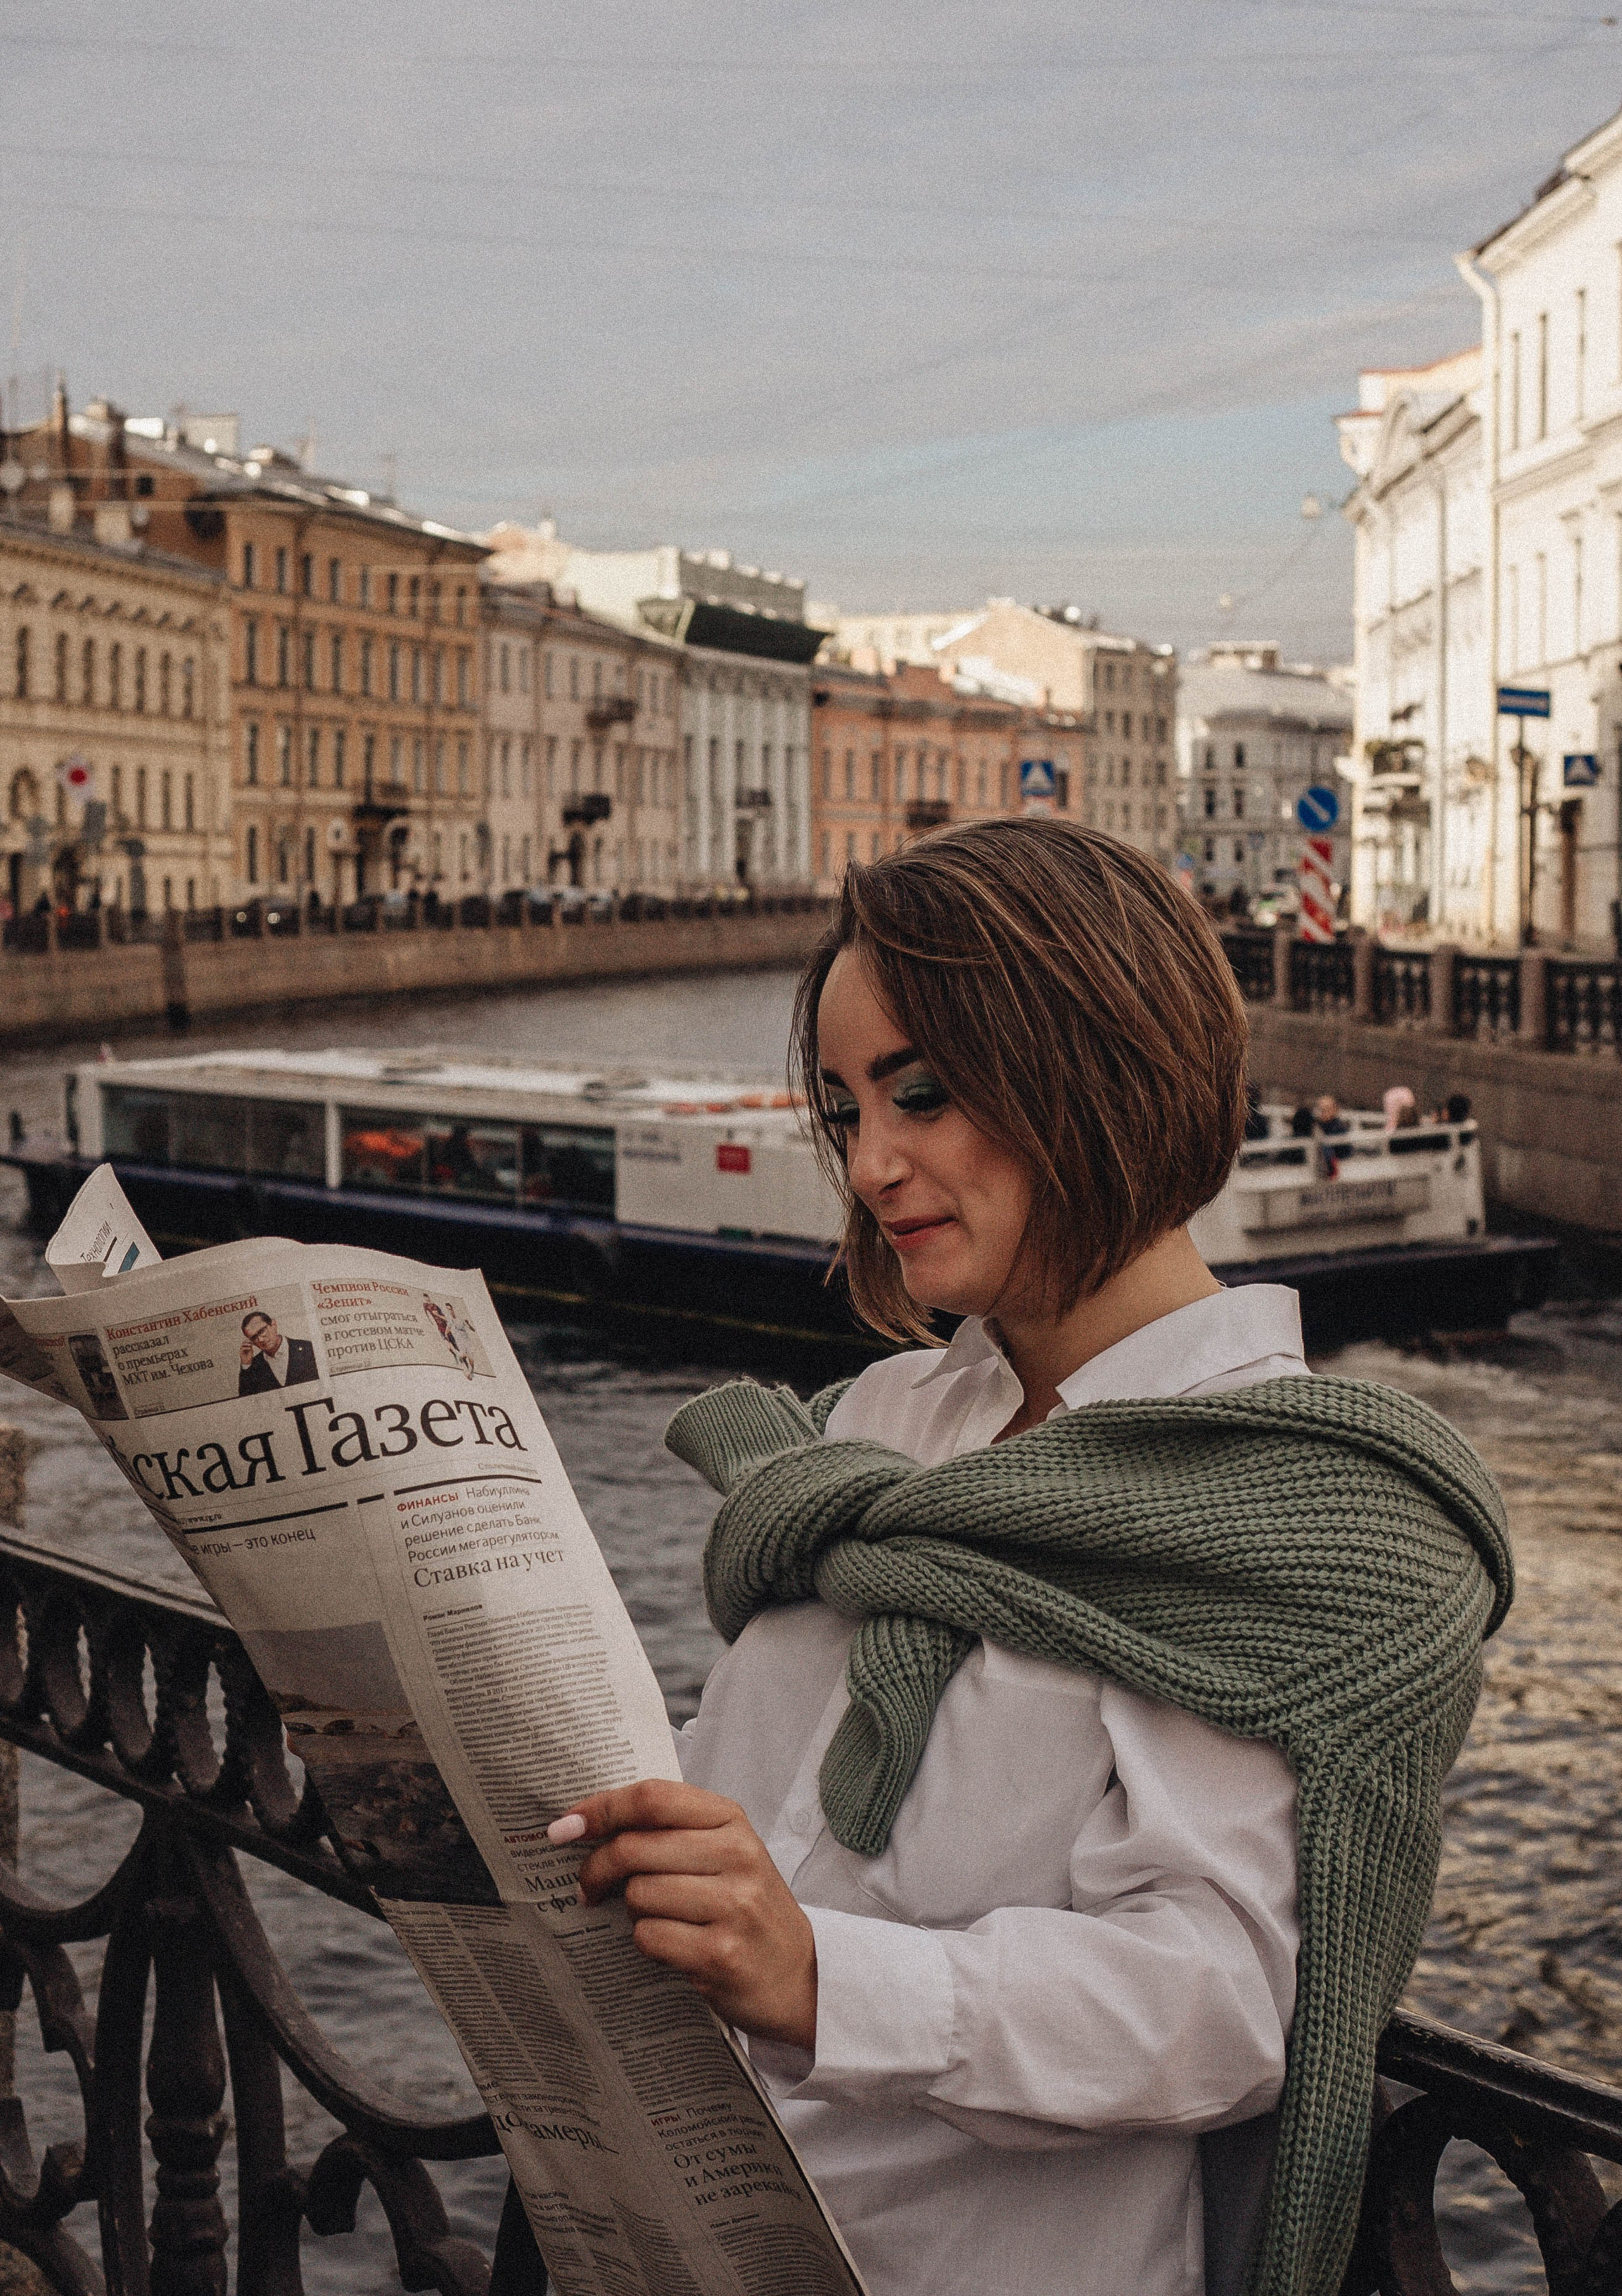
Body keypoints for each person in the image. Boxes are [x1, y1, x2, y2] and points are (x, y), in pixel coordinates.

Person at [546, 824, 1509, 2296]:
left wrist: (820, 1976)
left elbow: (1225, 1998)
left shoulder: (1277, 1506)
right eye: (843, 1105)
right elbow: (745, 1806)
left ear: (1090, 1066)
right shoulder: (872, 1428)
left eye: (920, 1093)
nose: (870, 1161)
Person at [238, 1309, 318, 1394]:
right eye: (254, 1337)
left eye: (262, 1331)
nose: (260, 1340)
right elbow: (246, 1402)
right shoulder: (253, 1366)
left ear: (273, 1324)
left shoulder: (309, 1348)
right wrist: (246, 1365)